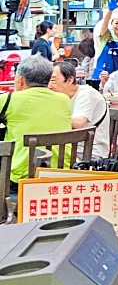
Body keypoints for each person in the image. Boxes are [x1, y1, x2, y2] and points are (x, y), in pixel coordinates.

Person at [3, 56, 73, 190]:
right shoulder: (64, 99)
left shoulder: (9, 99)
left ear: (21, 80)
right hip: (61, 173)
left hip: (22, 178)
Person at [49, 62, 110, 160]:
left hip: (89, 152)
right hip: (67, 148)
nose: (49, 86)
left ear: (69, 80)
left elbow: (77, 123)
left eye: (53, 80)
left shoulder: (86, 94)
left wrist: (46, 119)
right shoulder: (58, 97)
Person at [92, 0, 118, 79]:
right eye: (116, 23)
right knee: (103, 90)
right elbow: (104, 25)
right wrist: (110, 10)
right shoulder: (106, 33)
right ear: (111, 24)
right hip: (103, 71)